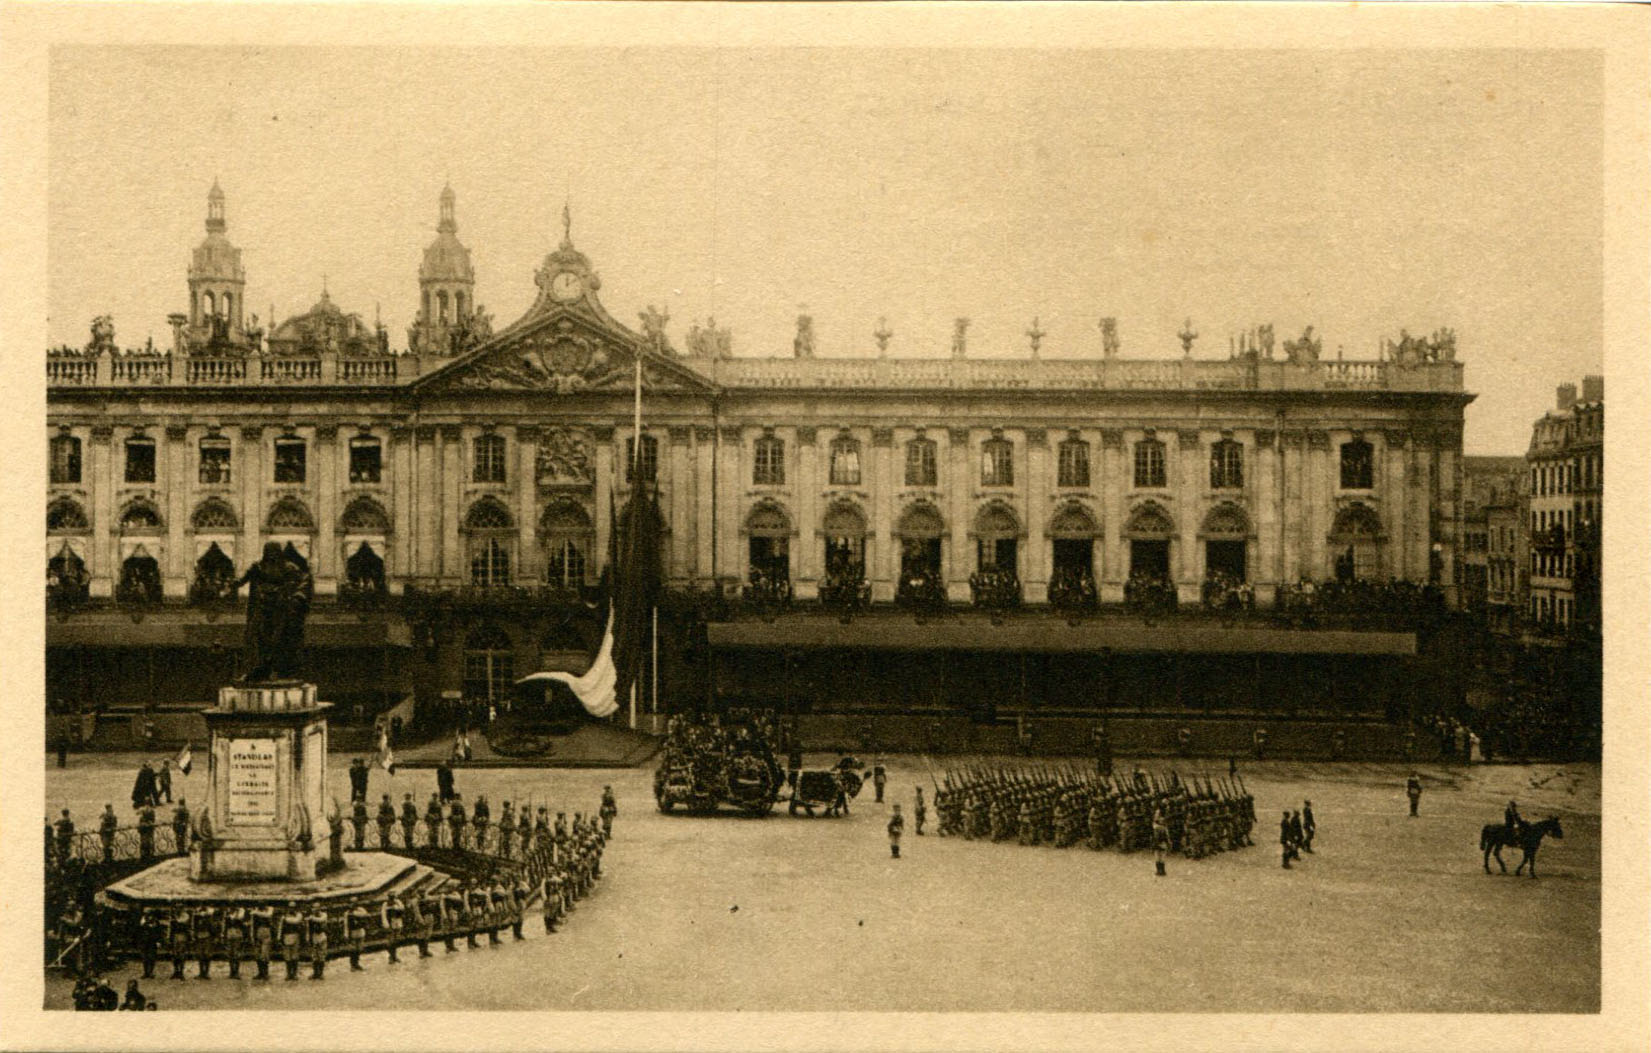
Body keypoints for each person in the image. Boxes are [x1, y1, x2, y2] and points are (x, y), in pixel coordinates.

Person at [1152, 806, 1170, 876]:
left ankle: (1158, 871)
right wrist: (1169, 843)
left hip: (1157, 843)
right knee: (1162, 857)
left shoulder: (1156, 828)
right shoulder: (1165, 828)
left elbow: (1154, 837)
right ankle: (1162, 871)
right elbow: (1167, 837)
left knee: (1157, 857)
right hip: (1163, 843)